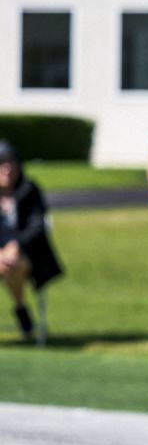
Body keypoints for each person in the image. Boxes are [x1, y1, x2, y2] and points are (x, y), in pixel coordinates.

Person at [0, 141, 63, 342]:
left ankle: (20, 307)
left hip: (27, 257)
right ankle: (21, 310)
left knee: (14, 265)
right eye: (2, 164)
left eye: (11, 163)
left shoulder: (29, 190)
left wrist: (15, 246)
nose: (7, 169)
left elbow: (38, 226)